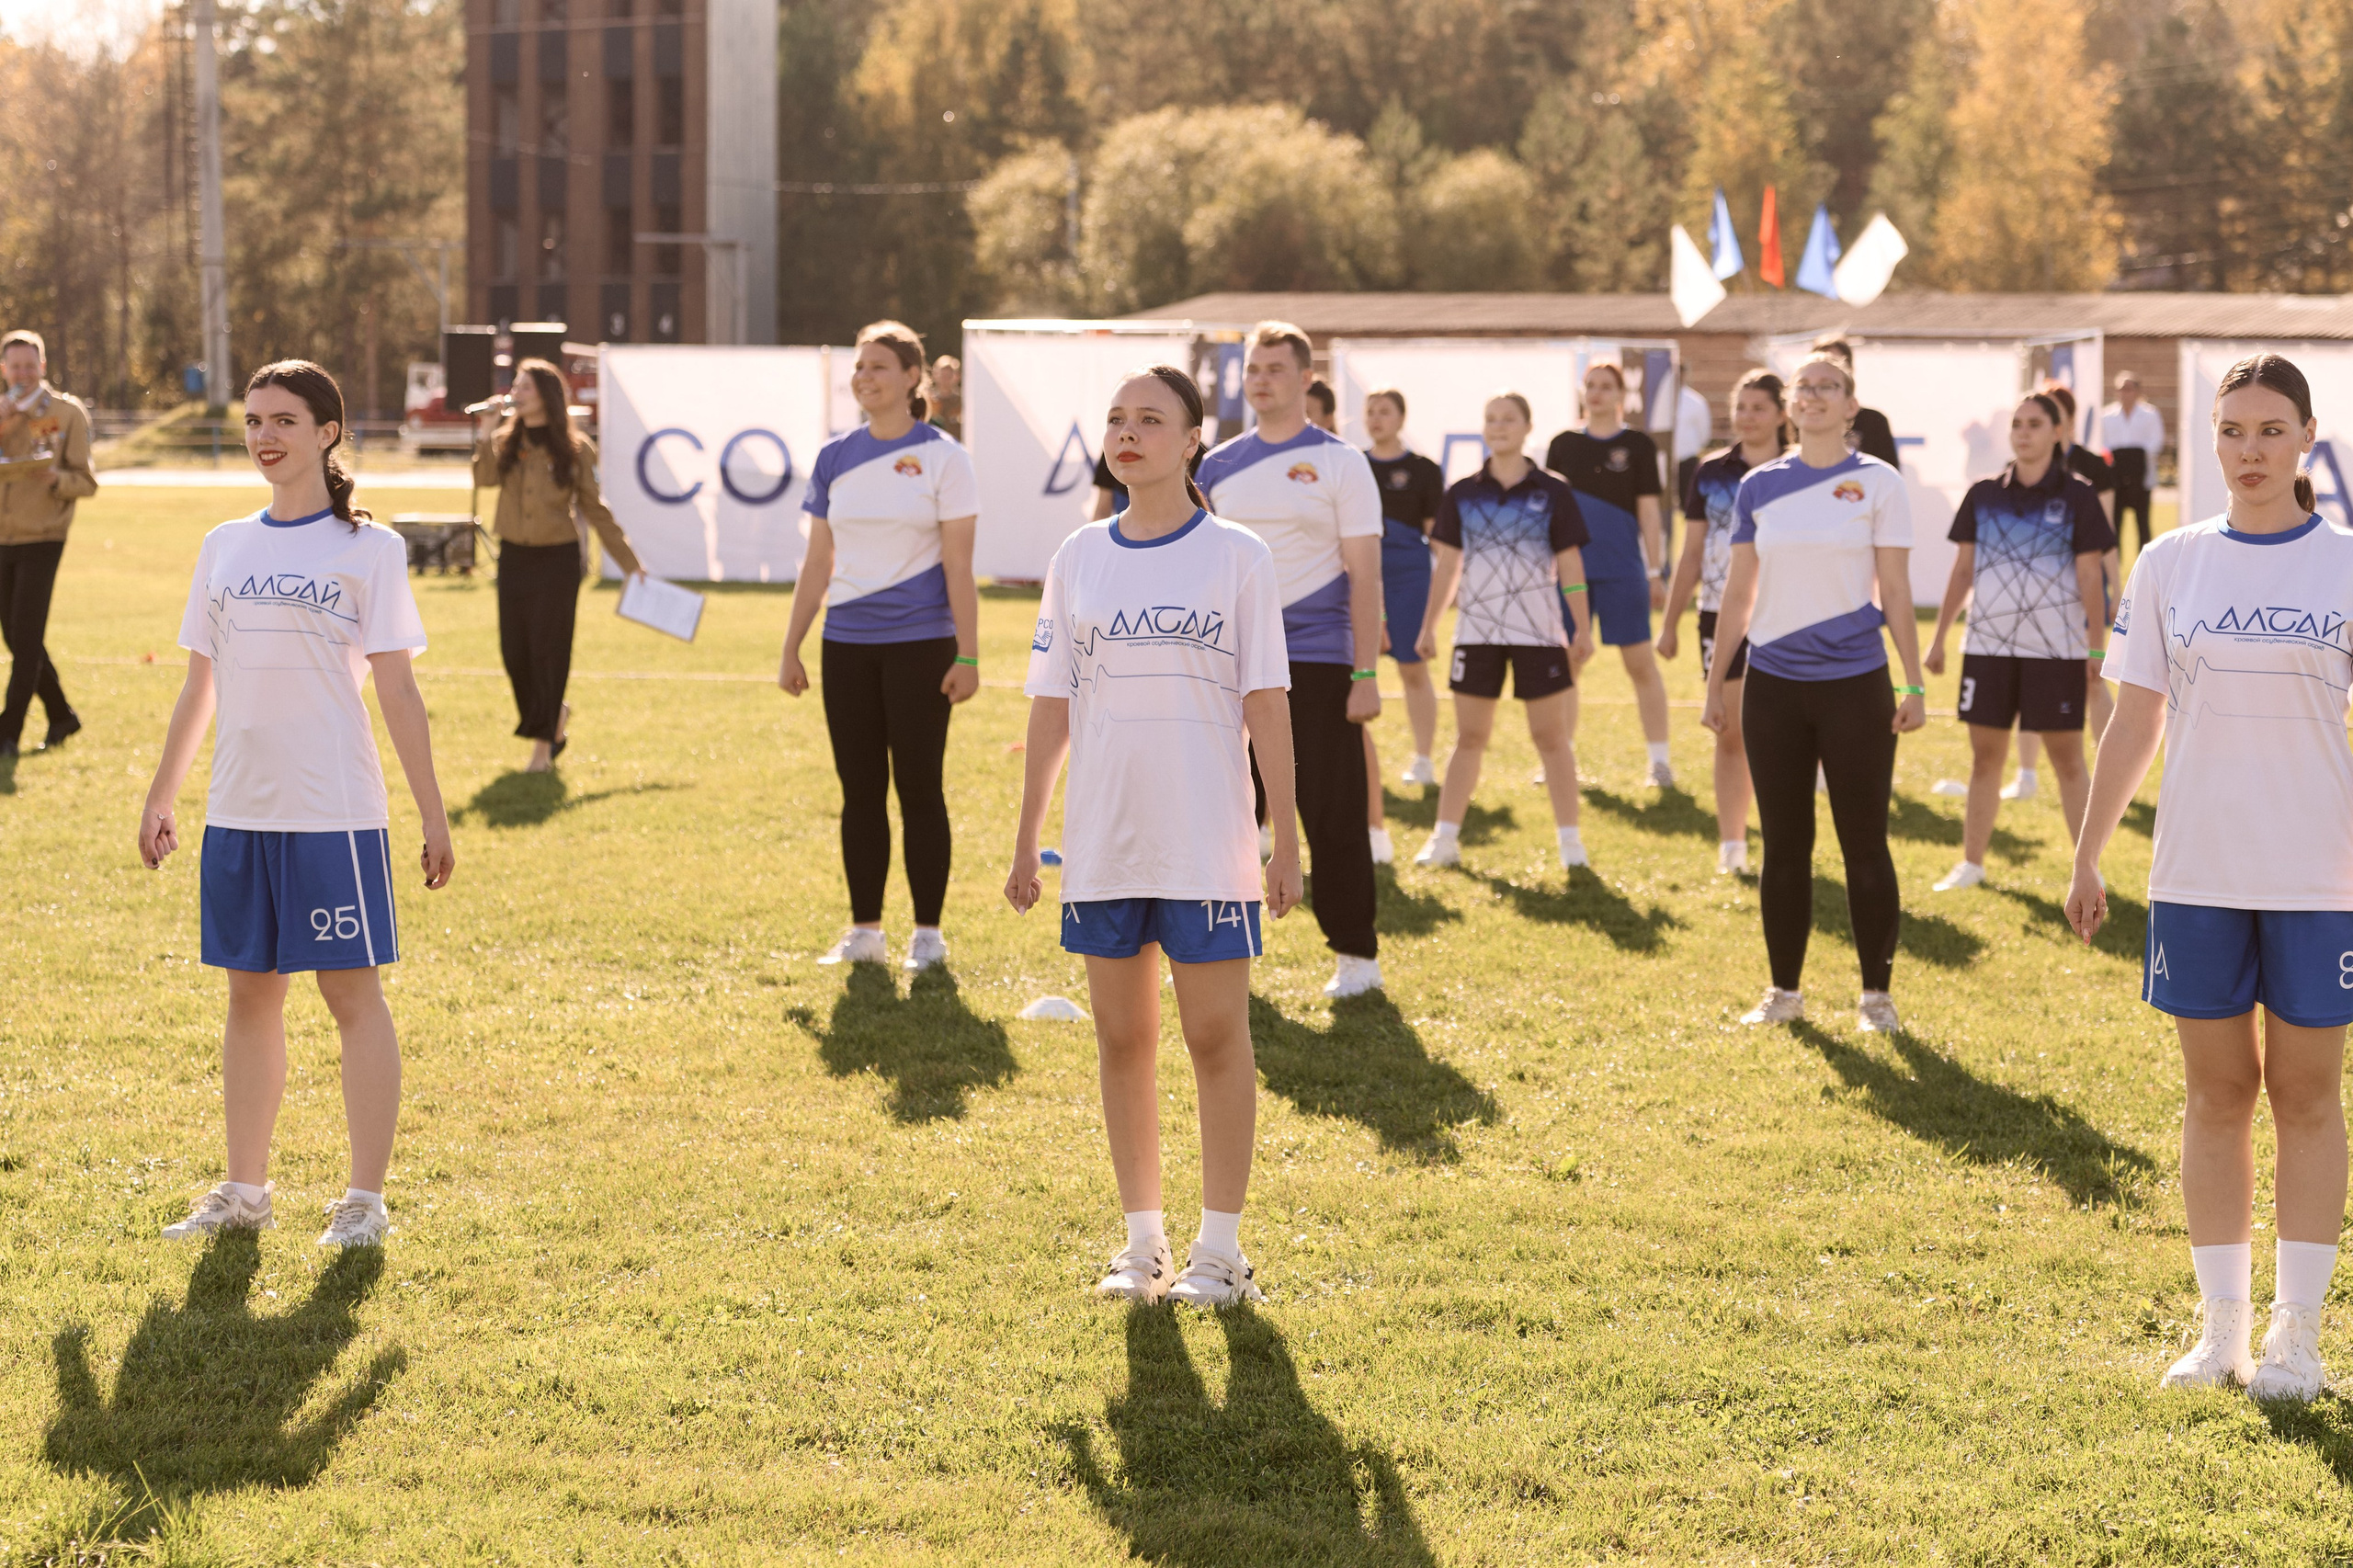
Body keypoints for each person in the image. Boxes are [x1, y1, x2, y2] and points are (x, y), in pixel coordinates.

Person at [2066, 352, 2352, 1403]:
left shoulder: (2345, 564)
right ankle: (2219, 1332)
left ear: (2307, 438)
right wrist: (2089, 848)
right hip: (2196, 872)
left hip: (2323, 876)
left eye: (2270, 430)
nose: (2248, 450)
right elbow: (2135, 717)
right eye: (2232, 430)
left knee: (2307, 1095)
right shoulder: (2170, 563)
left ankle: (2299, 1338)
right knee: (2215, 1093)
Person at [139, 359, 455, 1249]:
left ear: (327, 431)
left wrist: (431, 813)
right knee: (249, 995)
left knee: (351, 994)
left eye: (283, 418)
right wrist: (163, 792)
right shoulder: (223, 546)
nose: (264, 435)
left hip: (334, 813)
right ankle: (244, 1190)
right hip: (240, 809)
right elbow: (199, 686)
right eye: (252, 421)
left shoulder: (371, 549)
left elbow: (397, 693)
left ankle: (363, 1201)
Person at [1006, 364, 1301, 1309]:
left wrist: (1282, 835)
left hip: (1206, 839)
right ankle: (1143, 1246)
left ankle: (1221, 1254)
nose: (1129, 433)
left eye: (1151, 419)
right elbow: (1050, 705)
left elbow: (1268, 703)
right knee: (1122, 1037)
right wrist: (1026, 836)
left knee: (1215, 1034)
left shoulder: (1237, 555)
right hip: (1103, 841)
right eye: (1117, 419)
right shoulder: (1078, 556)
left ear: (1190, 441)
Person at [1704, 353, 1925, 1033]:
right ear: (1791, 405)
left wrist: (1912, 681)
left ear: (1851, 405)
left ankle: (1876, 999)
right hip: (1772, 685)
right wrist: (1717, 683)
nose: (1817, 396)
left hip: (1856, 684)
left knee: (1864, 843)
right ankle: (1784, 994)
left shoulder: (1879, 482)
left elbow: (1894, 590)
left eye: (1830, 387)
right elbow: (1738, 591)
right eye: (1806, 387)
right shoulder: (1757, 486)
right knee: (1785, 845)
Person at [779, 321, 982, 972]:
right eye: (860, 366)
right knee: (859, 790)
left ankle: (928, 934)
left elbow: (959, 566)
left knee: (920, 789)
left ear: (912, 378)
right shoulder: (833, 457)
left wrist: (969, 656)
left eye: (880, 367)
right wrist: (793, 647)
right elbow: (817, 562)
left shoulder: (946, 458)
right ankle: (864, 931)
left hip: (923, 648)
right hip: (847, 648)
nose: (864, 377)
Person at [1198, 322, 1386, 999]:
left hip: (1317, 660)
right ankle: (1221, 948)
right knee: (1225, 815)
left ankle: (1356, 959)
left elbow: (1366, 576)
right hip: (1227, 666)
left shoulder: (1341, 462)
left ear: (1307, 379)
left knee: (1332, 810)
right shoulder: (1215, 467)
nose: (1261, 379)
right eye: (1253, 368)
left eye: (1276, 368)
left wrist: (1365, 673)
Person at [1923, 392, 2114, 892]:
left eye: (2034, 423)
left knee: (2067, 761)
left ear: (2057, 432)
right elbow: (1962, 570)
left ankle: (2088, 870)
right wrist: (1940, 637)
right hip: (1987, 648)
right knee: (1985, 759)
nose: (2023, 432)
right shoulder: (1983, 494)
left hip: (2056, 652)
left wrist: (2096, 649)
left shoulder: (2079, 496)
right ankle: (1972, 863)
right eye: (2016, 423)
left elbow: (2091, 578)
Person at [1412, 393, 1597, 871]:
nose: (1498, 427)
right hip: (1477, 633)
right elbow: (1448, 567)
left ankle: (1571, 845)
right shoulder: (1462, 492)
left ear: (1527, 427)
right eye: (1491, 419)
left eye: (1508, 419)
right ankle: (1444, 840)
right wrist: (1430, 625)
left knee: (1551, 738)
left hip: (1539, 633)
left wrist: (1581, 626)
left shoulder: (1554, 491)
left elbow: (1571, 563)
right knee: (1469, 738)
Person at [472, 357, 644, 774]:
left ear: (546, 395)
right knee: (515, 652)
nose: (516, 393)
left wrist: (629, 564)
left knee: (549, 652)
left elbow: (595, 509)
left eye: (525, 387)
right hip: (515, 556)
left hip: (558, 560)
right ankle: (555, 715)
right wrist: (486, 430)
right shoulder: (504, 440)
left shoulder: (576, 448)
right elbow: (484, 479)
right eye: (516, 386)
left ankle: (541, 750)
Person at [1659, 369, 1786, 873]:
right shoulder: (1710, 472)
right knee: (1730, 730)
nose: (1748, 417)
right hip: (1718, 614)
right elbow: (1690, 552)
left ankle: (1782, 842)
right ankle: (1732, 844)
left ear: (1782, 414)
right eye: (1741, 407)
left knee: (1780, 735)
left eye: (1759, 407)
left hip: (1787, 616)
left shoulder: (1802, 471)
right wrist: (1669, 623)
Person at [1544, 362, 1675, 787]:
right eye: (1590, 386)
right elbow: (1548, 514)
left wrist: (1655, 571)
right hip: (1570, 574)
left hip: (1623, 569)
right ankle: (1559, 762)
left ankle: (1659, 763)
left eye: (1606, 387)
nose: (1596, 393)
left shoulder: (1637, 445)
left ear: (1621, 395)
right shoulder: (1562, 445)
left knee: (1641, 665)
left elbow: (1650, 511)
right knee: (1569, 664)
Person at [0, 330, 97, 757]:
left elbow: (87, 482)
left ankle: (7, 734)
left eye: (28, 365)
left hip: (43, 537)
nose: (21, 373)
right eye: (13, 366)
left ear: (42, 366)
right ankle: (61, 715)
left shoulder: (66, 413)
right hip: (2, 538)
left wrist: (57, 479)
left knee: (25, 637)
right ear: (4, 370)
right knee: (18, 636)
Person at [1360, 387, 1446, 863]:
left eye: (1385, 411)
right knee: (1357, 667)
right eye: (1370, 412)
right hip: (1361, 572)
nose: (1376, 419)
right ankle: (1354, 763)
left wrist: (1440, 597)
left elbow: (1438, 538)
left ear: (1401, 417)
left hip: (1410, 574)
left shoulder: (1424, 470)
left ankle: (1423, 759)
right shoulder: (1353, 464)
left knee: (1413, 668)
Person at [1809, 335, 1900, 469]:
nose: (1827, 375)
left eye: (1836, 364)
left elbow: (1889, 477)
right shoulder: (1800, 421)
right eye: (1821, 366)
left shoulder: (1874, 422)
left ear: (1850, 371)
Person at [2100, 369, 2164, 555]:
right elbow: (2103, 444)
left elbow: (2156, 442)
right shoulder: (2106, 416)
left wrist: (2135, 456)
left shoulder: (2150, 414)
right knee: (2115, 524)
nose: (2125, 393)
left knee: (2142, 523)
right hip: (2115, 478)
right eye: (2121, 389)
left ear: (2137, 391)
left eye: (2129, 388)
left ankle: (2145, 563)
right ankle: (2115, 564)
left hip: (2140, 477)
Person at [928, 354, 962, 440]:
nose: (945, 379)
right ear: (934, 375)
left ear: (957, 376)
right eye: (943, 374)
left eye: (949, 375)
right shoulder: (928, 401)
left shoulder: (963, 402)